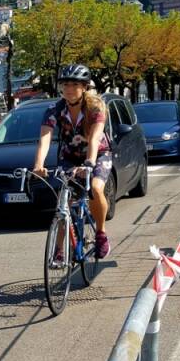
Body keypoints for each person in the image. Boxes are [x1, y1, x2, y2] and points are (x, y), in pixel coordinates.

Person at [32, 63, 112, 259]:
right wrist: (38, 165)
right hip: (69, 156)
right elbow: (45, 138)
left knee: (95, 188)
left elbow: (94, 138)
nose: (69, 89)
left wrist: (89, 164)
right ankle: (60, 250)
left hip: (98, 154)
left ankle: (101, 234)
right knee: (63, 201)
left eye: (75, 85)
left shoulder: (95, 107)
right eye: (65, 84)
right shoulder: (54, 110)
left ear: (84, 87)